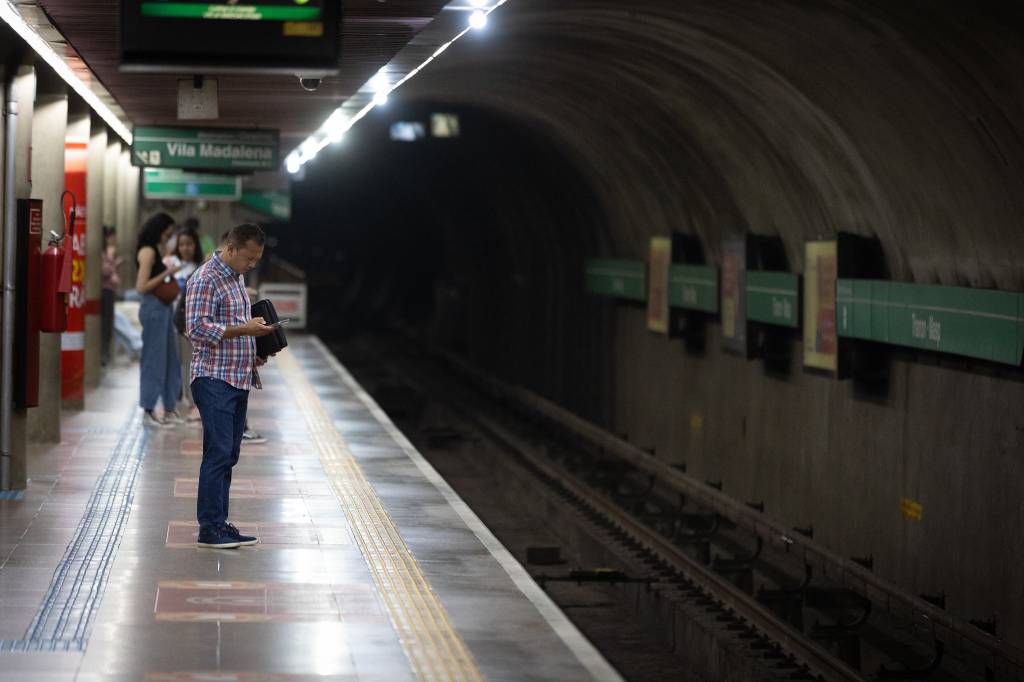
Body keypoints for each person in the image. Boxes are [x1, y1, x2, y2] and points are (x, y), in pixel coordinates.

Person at [186, 223, 273, 549]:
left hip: (237, 377)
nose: (251, 264)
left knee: (229, 454)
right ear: (231, 248)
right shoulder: (205, 279)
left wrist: (254, 351)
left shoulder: (236, 277)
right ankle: (209, 528)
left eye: (256, 259)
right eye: (248, 258)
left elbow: (232, 325)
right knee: (218, 453)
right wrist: (246, 330)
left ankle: (220, 523)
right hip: (213, 378)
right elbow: (197, 329)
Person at [135, 213, 183, 428]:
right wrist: (169, 271)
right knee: (153, 360)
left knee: (171, 360)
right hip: (153, 308)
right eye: (167, 234)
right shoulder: (147, 251)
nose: (168, 238)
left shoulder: (157, 249)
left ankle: (169, 407)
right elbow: (141, 286)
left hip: (164, 309)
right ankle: (148, 408)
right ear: (159, 231)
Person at [167, 223, 205, 422]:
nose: (185, 248)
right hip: (170, 321)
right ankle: (173, 400)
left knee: (190, 363)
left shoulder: (201, 267)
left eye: (189, 244)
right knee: (174, 363)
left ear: (195, 245)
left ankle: (193, 403)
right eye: (182, 244)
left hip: (190, 323)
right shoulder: (171, 266)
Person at [100, 226, 123, 367]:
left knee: (108, 323)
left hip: (108, 290)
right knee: (105, 323)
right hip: (105, 291)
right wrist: (113, 262)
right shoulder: (103, 253)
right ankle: (103, 354)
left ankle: (105, 353)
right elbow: (104, 271)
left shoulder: (105, 252)